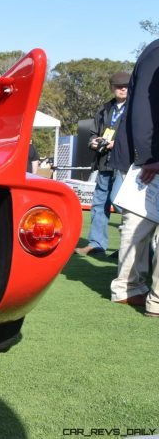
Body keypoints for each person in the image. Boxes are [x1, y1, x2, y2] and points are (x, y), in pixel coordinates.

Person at [109, 42, 158, 312]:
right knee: (138, 222)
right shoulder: (156, 54)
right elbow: (143, 110)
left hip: (146, 155)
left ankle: (129, 287)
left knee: (138, 223)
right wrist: (149, 156)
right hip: (148, 157)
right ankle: (134, 289)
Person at [75, 72, 130, 256]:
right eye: (118, 85)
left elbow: (139, 136)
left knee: (121, 202)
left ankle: (131, 247)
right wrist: (93, 142)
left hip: (125, 164)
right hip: (104, 162)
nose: (123, 88)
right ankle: (96, 244)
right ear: (112, 88)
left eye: (126, 85)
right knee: (99, 204)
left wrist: (118, 143)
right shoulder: (105, 108)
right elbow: (92, 133)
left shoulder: (136, 109)